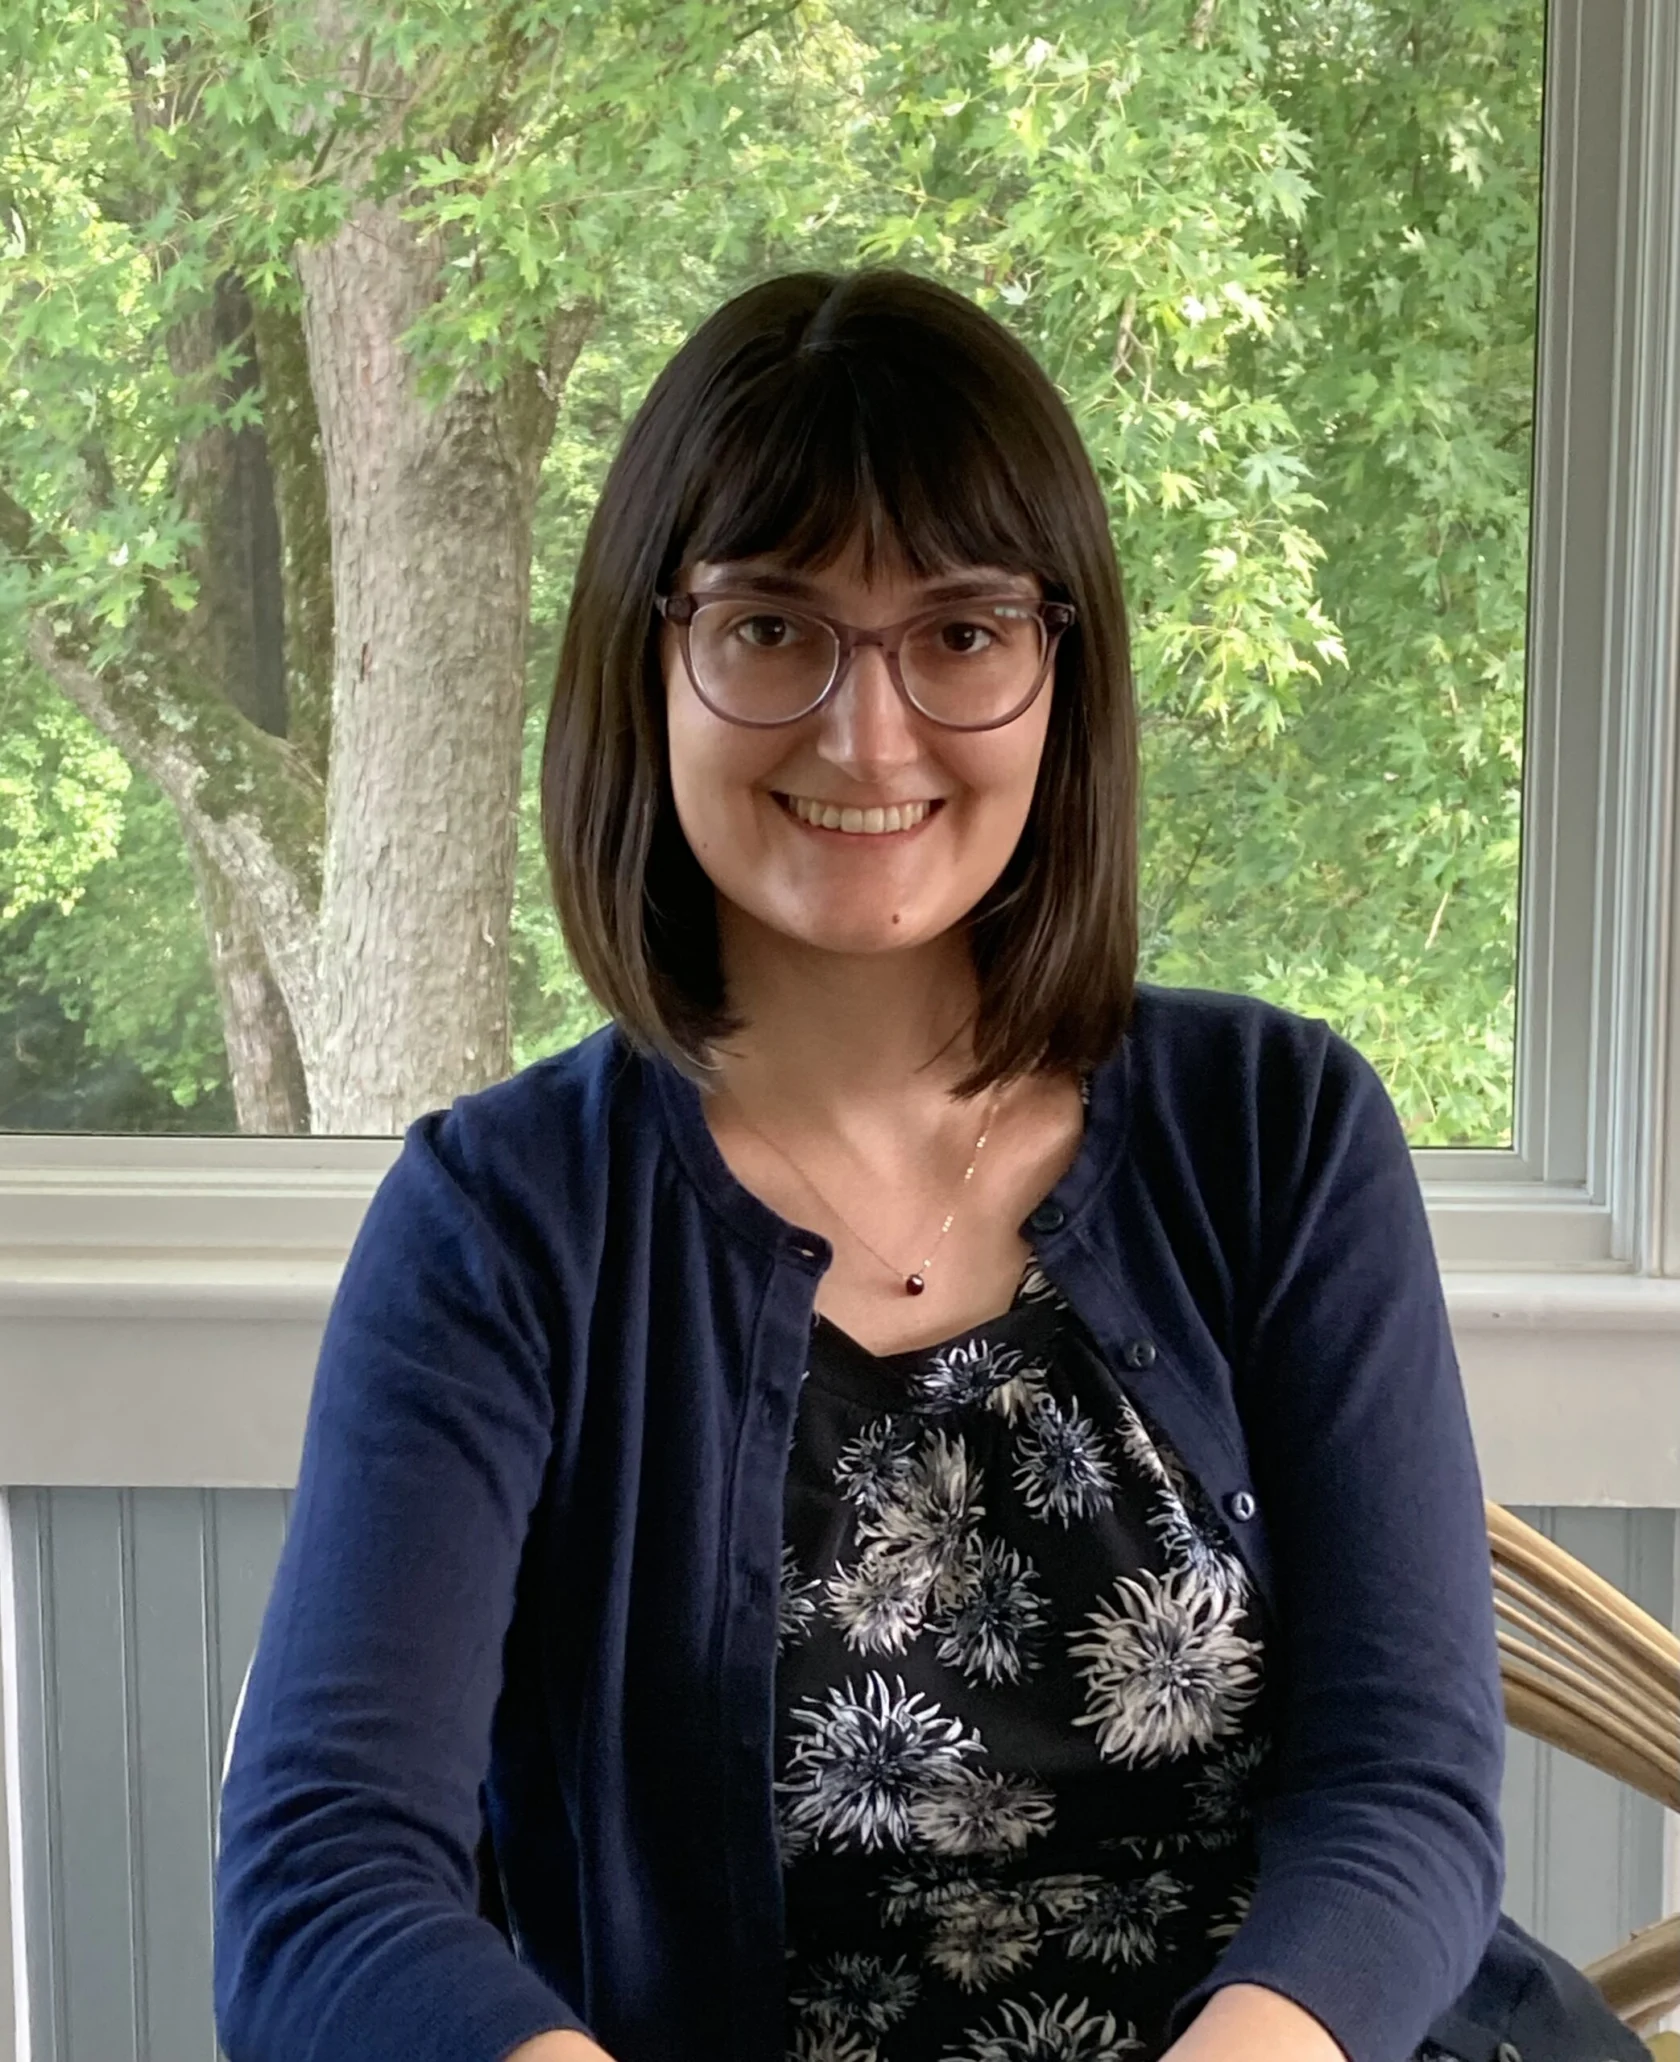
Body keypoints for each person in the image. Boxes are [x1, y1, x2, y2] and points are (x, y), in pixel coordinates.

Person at [212, 269, 1645, 2062]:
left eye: (959, 632)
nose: (865, 732)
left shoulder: (1278, 1130)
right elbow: (324, 1880)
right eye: (772, 625)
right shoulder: (501, 1230)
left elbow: (1405, 1782)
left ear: (1061, 665)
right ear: (651, 653)